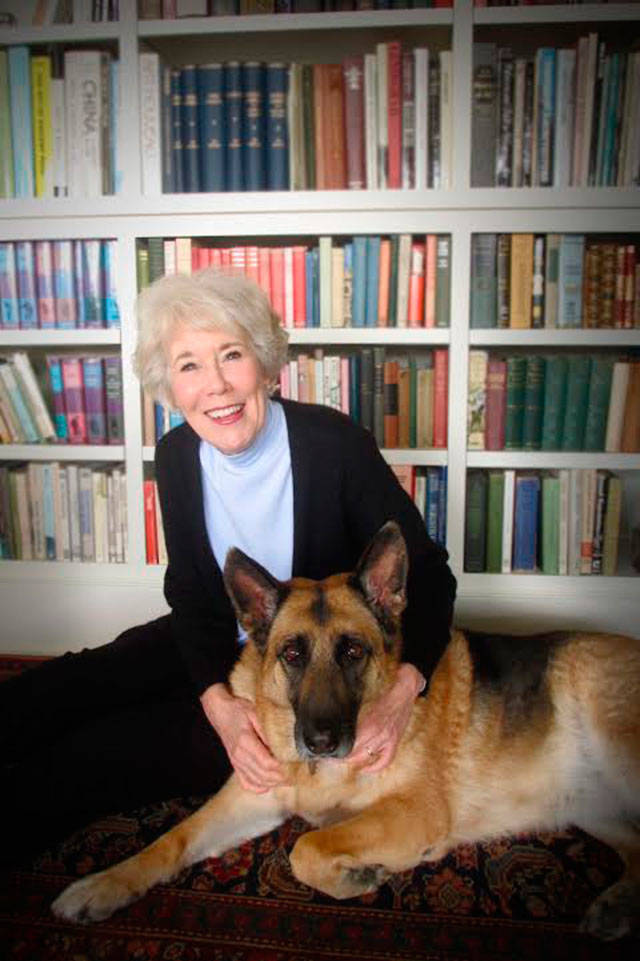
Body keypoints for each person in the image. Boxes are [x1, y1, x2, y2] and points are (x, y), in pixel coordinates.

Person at [1, 269, 456, 867]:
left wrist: (403, 690)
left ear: (265, 365)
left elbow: (432, 576)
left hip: (298, 675)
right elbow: (191, 596)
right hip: (220, 641)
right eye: (189, 365)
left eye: (231, 355)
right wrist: (215, 701)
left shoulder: (334, 444)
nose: (215, 385)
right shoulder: (176, 455)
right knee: (75, 682)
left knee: (103, 755)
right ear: (169, 385)